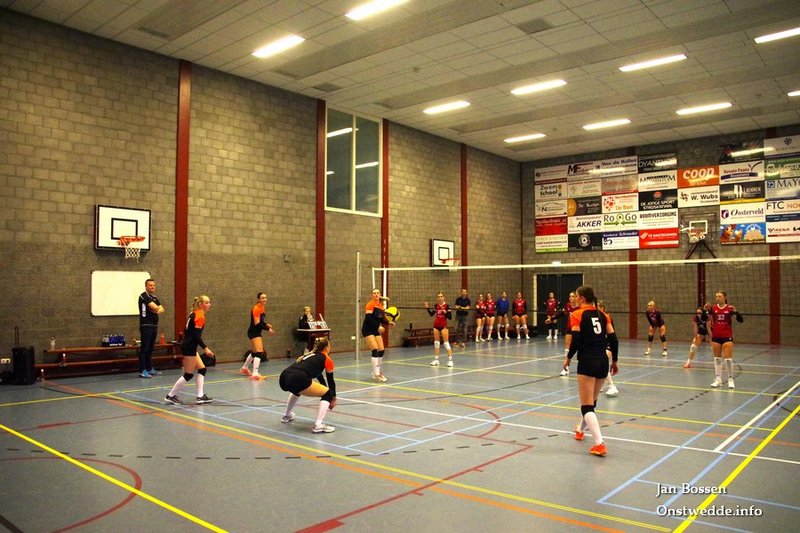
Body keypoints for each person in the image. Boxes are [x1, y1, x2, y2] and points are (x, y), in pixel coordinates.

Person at [561, 286, 618, 457]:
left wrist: (568, 358)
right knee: (591, 403)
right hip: (602, 362)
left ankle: (599, 443)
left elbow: (576, 341)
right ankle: (580, 429)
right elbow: (613, 340)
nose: (575, 299)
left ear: (582, 298)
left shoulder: (577, 314)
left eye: (577, 296)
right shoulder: (603, 315)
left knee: (586, 406)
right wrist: (614, 361)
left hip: (587, 362)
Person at [279, 337, 337, 433]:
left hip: (284, 377)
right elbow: (331, 381)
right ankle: (318, 425)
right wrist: (332, 397)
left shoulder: (309, 355)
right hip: (298, 378)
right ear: (326, 348)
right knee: (328, 394)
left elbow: (319, 376)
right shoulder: (327, 359)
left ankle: (287, 416)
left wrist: (325, 391)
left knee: (297, 390)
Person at [165, 295, 215, 405]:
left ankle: (200, 396)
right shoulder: (200, 316)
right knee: (188, 374)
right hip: (189, 347)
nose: (209, 304)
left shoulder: (194, 313)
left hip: (190, 345)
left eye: (209, 302)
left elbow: (189, 332)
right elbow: (196, 336)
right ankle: (171, 395)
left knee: (202, 369)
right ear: (200, 304)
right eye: (206, 302)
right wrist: (206, 348)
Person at [709, 291, 742, 389]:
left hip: (727, 336)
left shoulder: (729, 308)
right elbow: (704, 317)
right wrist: (705, 310)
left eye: (719, 296)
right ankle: (718, 379)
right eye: (716, 296)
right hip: (716, 336)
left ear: (725, 297)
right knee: (717, 359)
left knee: (728, 359)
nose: (717, 298)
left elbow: (740, 320)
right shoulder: (713, 308)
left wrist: (736, 312)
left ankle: (730, 379)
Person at [240, 292, 275, 381]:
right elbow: (257, 323)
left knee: (255, 353)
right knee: (259, 352)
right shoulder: (256, 308)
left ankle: (244, 368)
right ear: (258, 299)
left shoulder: (262, 307)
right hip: (254, 332)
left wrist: (266, 324)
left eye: (265, 297)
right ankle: (255, 373)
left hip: (255, 332)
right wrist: (268, 329)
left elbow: (260, 321)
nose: (264, 299)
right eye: (262, 298)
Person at [362, 288, 392, 382]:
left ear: (379, 295)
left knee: (381, 350)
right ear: (372, 295)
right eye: (374, 293)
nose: (376, 294)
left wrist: (388, 323)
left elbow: (381, 319)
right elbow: (368, 319)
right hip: (368, 329)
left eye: (377, 293)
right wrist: (378, 326)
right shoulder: (370, 304)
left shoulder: (381, 306)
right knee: (375, 349)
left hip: (375, 329)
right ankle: (377, 374)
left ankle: (377, 371)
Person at [138, 278, 165, 378]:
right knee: (144, 348)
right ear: (146, 286)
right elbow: (155, 307)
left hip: (154, 325)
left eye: (154, 285)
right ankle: (142, 370)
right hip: (146, 325)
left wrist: (156, 309)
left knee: (150, 348)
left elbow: (162, 309)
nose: (152, 287)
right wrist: (156, 309)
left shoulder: (154, 297)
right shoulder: (143, 296)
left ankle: (149, 368)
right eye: (150, 285)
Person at [425, 292, 453, 367]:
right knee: (436, 343)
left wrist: (445, 311)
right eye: (438, 297)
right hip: (436, 326)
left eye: (441, 296)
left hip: (443, 326)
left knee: (446, 343)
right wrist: (427, 308)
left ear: (444, 297)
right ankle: (436, 360)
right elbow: (431, 314)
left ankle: (450, 360)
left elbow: (450, 317)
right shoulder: (436, 305)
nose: (440, 298)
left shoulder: (447, 306)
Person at [597, 300, 619, 397]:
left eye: (597, 307)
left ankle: (612, 386)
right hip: (602, 344)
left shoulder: (606, 317)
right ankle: (600, 385)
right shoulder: (597, 318)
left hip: (609, 344)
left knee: (603, 361)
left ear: (602, 308)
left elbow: (611, 335)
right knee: (599, 363)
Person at [685, 303, 711, 368]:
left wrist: (711, 339)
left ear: (702, 313)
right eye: (697, 313)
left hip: (710, 331)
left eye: (700, 313)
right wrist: (695, 338)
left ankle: (720, 363)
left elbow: (709, 329)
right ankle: (688, 362)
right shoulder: (695, 318)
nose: (698, 314)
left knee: (714, 347)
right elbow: (695, 329)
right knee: (693, 346)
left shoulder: (706, 317)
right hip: (701, 331)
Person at [560, 291, 577, 376]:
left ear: (576, 297)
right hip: (570, 328)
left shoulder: (580, 307)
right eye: (570, 296)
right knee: (567, 349)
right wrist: (552, 319)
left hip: (578, 330)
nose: (571, 298)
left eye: (573, 296)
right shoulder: (568, 305)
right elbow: (562, 313)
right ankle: (566, 368)